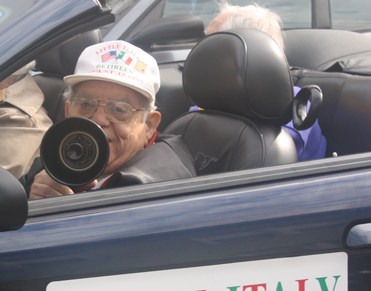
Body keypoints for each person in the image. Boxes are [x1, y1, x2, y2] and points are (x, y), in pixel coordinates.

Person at [25, 40, 196, 200]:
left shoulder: (157, 190)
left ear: (150, 125)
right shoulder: (56, 159)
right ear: (68, 111)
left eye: (119, 109)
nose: (99, 119)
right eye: (85, 104)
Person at [199, 2, 326, 161]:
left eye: (211, 45)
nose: (201, 54)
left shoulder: (292, 104)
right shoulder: (213, 100)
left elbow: (267, 156)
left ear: (248, 52)